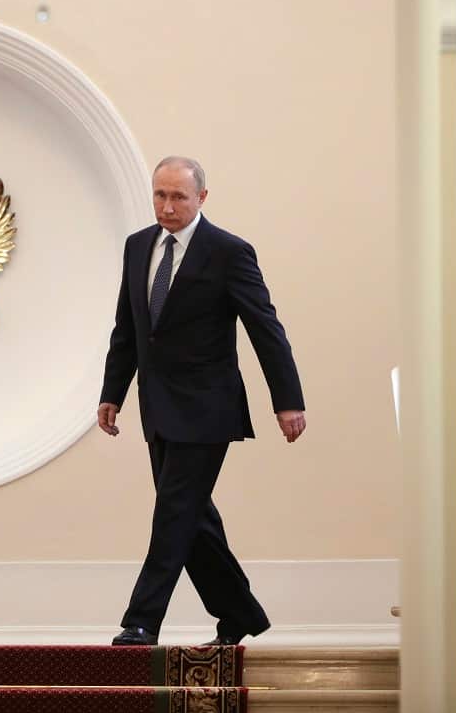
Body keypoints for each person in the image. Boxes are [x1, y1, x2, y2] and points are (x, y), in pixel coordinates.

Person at [98, 156, 306, 646]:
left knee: (174, 511)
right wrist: (113, 393)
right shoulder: (137, 247)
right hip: (158, 406)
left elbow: (265, 328)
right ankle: (240, 615)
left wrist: (287, 400)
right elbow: (128, 329)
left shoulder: (229, 252)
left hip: (208, 408)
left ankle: (142, 621)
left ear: (202, 199)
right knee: (194, 518)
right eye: (160, 195)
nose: (167, 207)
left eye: (178, 197)